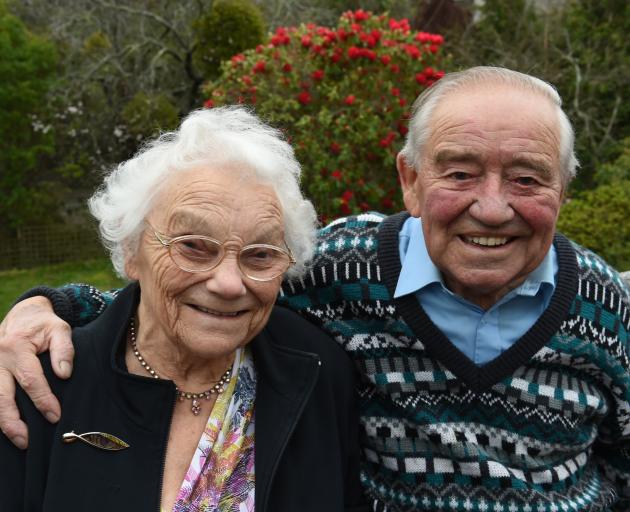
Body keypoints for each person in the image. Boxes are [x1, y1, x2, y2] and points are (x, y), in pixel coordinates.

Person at [1, 66, 629, 511]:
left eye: (527, 179)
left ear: (562, 192)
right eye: (460, 172)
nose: (492, 209)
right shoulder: (339, 268)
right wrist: (48, 306)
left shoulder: (609, 307)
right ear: (409, 181)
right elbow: (190, 301)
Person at [0, 106, 367, 511]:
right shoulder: (37, 381)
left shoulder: (318, 373)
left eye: (260, 255)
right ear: (131, 250)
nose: (229, 283)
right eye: (193, 246)